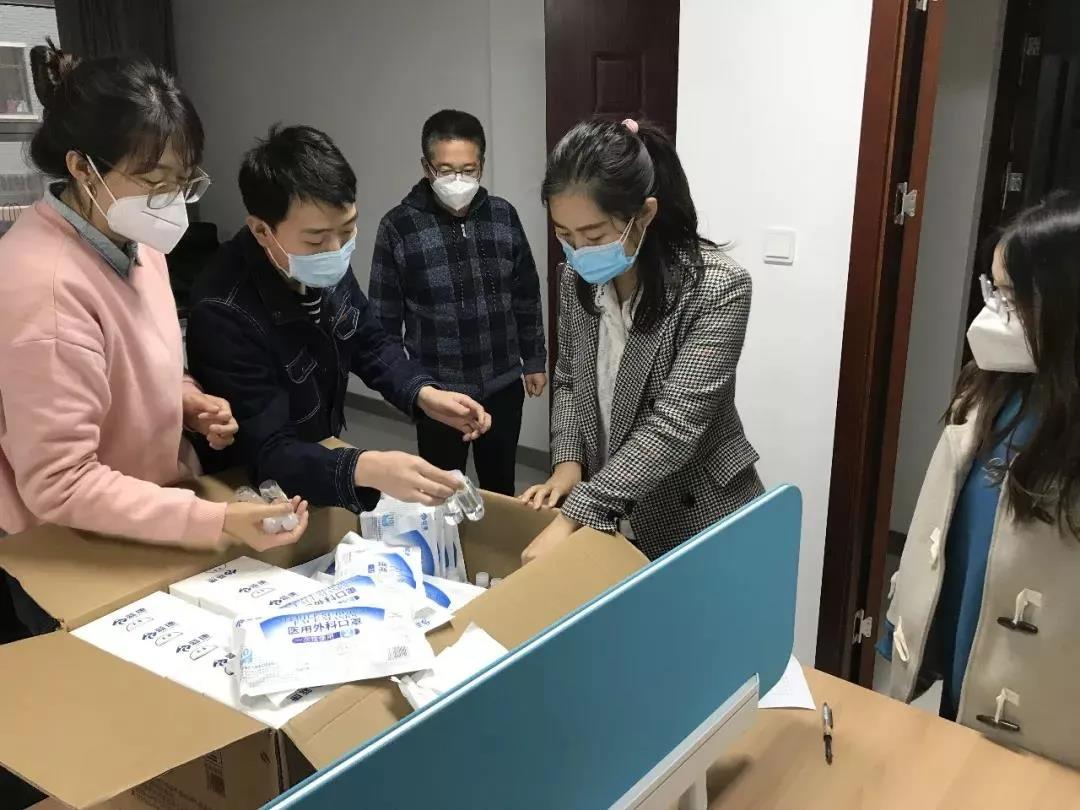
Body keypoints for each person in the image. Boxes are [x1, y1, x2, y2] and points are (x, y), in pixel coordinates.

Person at [0, 43, 306, 554]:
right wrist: (216, 519)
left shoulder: (135, 240)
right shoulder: (43, 287)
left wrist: (181, 398)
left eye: (182, 183)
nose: (169, 202)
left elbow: (125, 360)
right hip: (76, 545)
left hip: (152, 509)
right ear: (82, 168)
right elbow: (60, 483)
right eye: (153, 181)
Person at [186, 125, 491, 513]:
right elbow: (268, 452)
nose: (335, 250)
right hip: (254, 494)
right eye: (316, 240)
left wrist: (423, 394)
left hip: (317, 452)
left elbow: (368, 341)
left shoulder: (322, 263)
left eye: (347, 230)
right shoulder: (223, 311)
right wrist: (368, 467)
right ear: (262, 231)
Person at [879, 193, 1080, 769]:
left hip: (1046, 710)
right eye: (992, 290)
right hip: (969, 663)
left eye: (1011, 298)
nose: (992, 313)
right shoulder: (992, 384)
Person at [520, 119, 763, 562]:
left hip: (696, 512)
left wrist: (576, 513)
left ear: (645, 214)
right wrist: (569, 463)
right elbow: (570, 379)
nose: (578, 251)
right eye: (564, 235)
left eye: (594, 235)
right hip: (611, 509)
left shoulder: (717, 287)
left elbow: (674, 426)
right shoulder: (575, 278)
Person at [369, 109, 547, 495]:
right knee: (442, 491)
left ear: (481, 165)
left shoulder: (503, 216)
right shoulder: (398, 226)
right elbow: (383, 321)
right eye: (446, 170)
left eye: (468, 170)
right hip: (439, 391)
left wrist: (534, 359)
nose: (458, 180)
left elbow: (526, 293)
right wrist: (405, 387)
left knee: (500, 486)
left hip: (502, 384)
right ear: (426, 167)